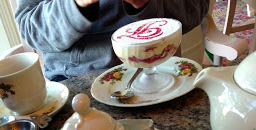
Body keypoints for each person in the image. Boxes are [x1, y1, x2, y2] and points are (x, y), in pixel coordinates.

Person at [15, 0, 209, 82]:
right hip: (78, 81)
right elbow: (30, 30)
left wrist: (149, 5)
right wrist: (76, 5)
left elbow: (196, 9)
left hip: (159, 73)